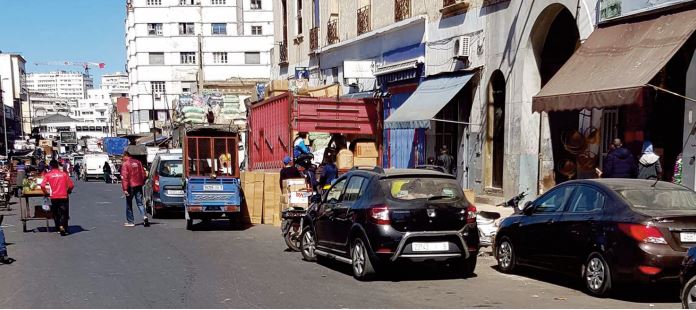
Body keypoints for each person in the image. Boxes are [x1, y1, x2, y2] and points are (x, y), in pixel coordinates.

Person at [40, 160, 75, 236]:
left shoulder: (48, 175)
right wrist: (68, 191)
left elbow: (42, 185)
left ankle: (58, 227)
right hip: (64, 196)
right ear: (58, 166)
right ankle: (63, 226)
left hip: (54, 197)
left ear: (50, 166)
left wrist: (46, 193)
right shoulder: (64, 174)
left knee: (55, 213)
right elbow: (71, 185)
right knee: (64, 212)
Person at [121, 151, 149, 227]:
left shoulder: (125, 164)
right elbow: (143, 174)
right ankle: (144, 216)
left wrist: (125, 189)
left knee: (129, 204)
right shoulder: (138, 162)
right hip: (138, 185)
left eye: (123, 157)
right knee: (140, 203)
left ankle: (131, 221)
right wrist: (142, 182)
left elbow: (125, 177)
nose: (122, 159)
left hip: (130, 186)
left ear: (126, 155)